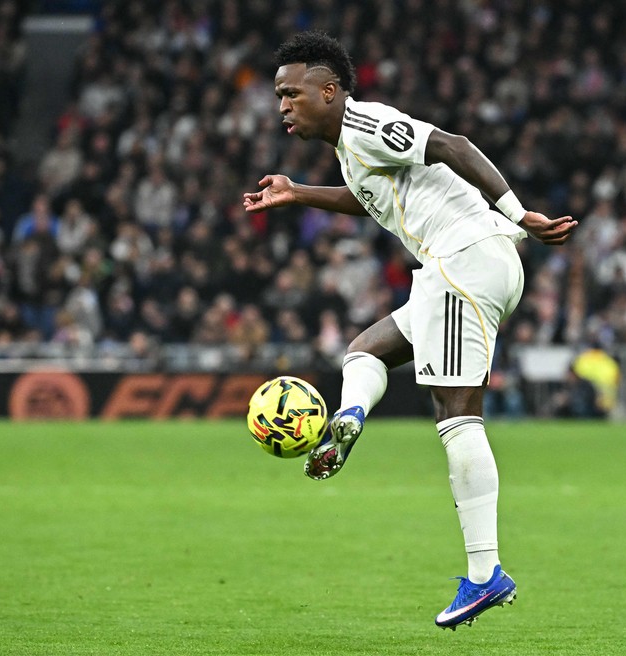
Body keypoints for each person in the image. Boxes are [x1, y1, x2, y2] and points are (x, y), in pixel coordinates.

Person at [242, 31, 578, 630]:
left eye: (291, 94)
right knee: (365, 350)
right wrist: (298, 195)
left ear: (329, 90)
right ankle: (349, 417)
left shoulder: (368, 123)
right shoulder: (351, 150)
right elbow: (366, 198)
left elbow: (452, 144)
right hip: (453, 267)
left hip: (466, 256)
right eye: (278, 97)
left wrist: (515, 210)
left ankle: (485, 574)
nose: (282, 106)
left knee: (456, 413)